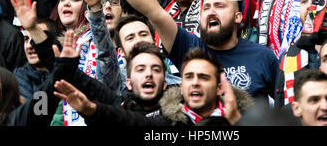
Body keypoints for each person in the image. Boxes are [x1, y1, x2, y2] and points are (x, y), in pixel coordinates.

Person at [98, 0, 279, 98]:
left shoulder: (264, 56)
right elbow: (153, 11)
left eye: (220, 6)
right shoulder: (190, 48)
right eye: (206, 8)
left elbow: (283, 106)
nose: (211, 12)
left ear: (238, 17)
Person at [54, 47, 251, 126]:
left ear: (219, 87)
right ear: (181, 87)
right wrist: (93, 110)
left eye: (204, 77)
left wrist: (236, 122)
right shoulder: (169, 123)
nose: (195, 82)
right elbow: (132, 122)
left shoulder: (250, 115)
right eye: (189, 77)